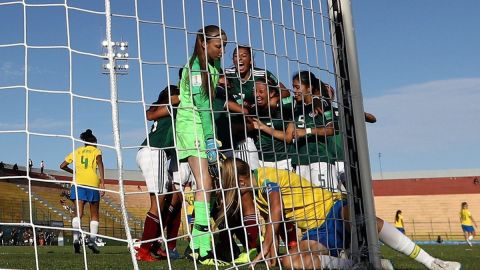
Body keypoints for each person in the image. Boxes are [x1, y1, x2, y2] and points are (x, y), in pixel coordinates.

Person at [220, 158, 462, 270]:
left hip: (332, 208)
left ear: (242, 180)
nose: (238, 194)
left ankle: (433, 263)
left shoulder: (265, 177)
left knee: (363, 219)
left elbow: (276, 210)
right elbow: (270, 220)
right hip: (317, 231)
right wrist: (270, 256)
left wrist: (264, 245)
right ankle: (361, 265)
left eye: (235, 187)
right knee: (290, 262)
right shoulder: (257, 193)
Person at [174, 25, 229, 266]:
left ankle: (198, 247)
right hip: (192, 125)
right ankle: (203, 249)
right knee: (204, 183)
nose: (222, 51)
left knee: (206, 184)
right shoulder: (197, 68)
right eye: (219, 46)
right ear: (204, 44)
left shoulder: (213, 66)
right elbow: (204, 108)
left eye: (225, 47)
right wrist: (209, 140)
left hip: (201, 125)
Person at [135, 82, 182, 261]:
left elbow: (150, 113)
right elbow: (152, 113)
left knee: (170, 196)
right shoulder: (173, 107)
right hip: (156, 152)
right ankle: (144, 250)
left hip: (149, 152)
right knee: (158, 203)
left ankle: (154, 245)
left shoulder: (161, 109)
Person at [225, 45, 290, 171]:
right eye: (236, 56)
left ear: (250, 60)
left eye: (244, 56)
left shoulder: (262, 74)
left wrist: (273, 100)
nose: (239, 59)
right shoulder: (227, 74)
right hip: (235, 127)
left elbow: (285, 92)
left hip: (255, 126)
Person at [60, 129, 104, 254]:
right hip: (92, 183)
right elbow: (100, 163)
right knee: (94, 214)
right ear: (94, 142)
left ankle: (75, 240)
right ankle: (92, 241)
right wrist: (103, 182)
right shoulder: (96, 150)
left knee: (78, 213)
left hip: (78, 183)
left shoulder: (77, 151)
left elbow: (62, 165)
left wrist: (73, 172)